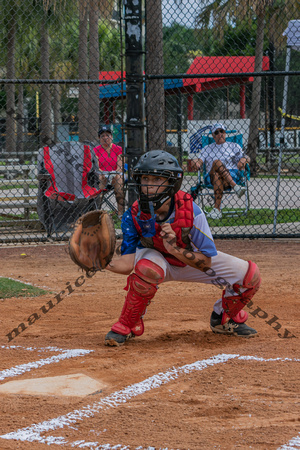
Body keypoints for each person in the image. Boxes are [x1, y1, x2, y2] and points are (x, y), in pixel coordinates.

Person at [104, 149, 261, 347]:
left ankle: (223, 318)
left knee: (250, 276)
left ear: (171, 183)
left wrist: (175, 249)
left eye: (156, 180)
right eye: (145, 179)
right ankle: (127, 324)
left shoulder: (191, 211)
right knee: (147, 268)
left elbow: (206, 262)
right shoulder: (133, 214)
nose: (148, 186)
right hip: (156, 262)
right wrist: (101, 262)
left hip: (189, 260)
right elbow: (128, 264)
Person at [191, 123, 250, 220]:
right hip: (211, 178)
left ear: (225, 133)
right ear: (213, 136)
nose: (220, 134)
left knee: (217, 174)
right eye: (216, 132)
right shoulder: (207, 148)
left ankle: (217, 210)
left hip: (231, 175)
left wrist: (244, 160)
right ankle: (236, 187)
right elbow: (200, 161)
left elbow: (247, 157)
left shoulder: (234, 146)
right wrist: (195, 162)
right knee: (216, 162)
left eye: (221, 131)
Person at [93, 126, 125, 217]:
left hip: (115, 174)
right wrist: (103, 173)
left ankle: (120, 213)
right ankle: (98, 212)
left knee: (119, 179)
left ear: (111, 137)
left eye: (108, 135)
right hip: (103, 174)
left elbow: (120, 166)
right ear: (99, 138)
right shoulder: (96, 150)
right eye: (102, 136)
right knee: (100, 178)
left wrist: (114, 173)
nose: (105, 138)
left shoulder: (118, 149)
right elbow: (97, 166)